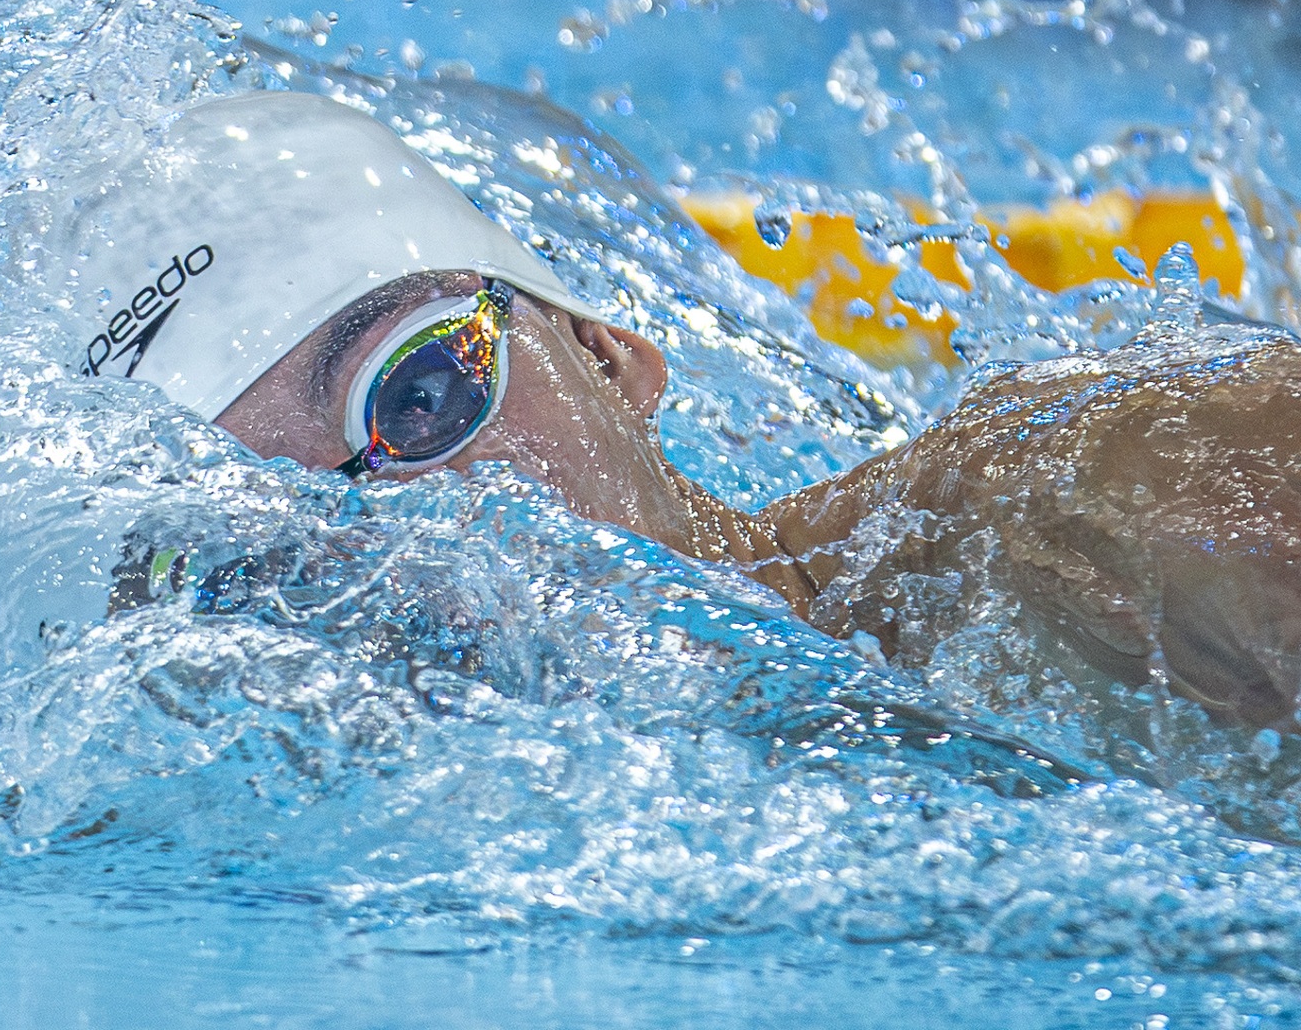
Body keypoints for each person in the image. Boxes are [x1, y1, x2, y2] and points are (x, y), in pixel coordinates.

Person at [64, 90, 1301, 732]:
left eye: (424, 392)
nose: (387, 540)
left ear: (608, 358)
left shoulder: (1092, 508)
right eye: (254, 563)